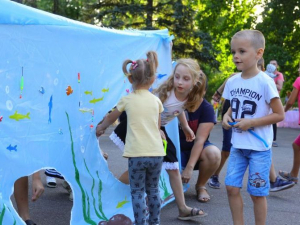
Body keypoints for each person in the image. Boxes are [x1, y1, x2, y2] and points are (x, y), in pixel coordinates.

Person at [97, 58, 207, 221]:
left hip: (156, 129)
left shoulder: (189, 95)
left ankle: (182, 208)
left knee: (171, 167)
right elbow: (149, 111)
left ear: (195, 81)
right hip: (145, 126)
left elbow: (179, 109)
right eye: (177, 77)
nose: (180, 82)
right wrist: (157, 130)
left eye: (185, 79)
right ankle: (112, 192)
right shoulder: (165, 94)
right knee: (141, 165)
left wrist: (184, 126)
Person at [222, 30, 285, 225]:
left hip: (259, 149)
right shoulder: (232, 81)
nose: (236, 56)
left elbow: (279, 114)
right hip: (238, 146)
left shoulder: (266, 82)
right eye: (233, 52)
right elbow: (234, 105)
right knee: (231, 188)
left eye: (242, 51)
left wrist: (251, 123)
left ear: (259, 53)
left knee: (257, 193)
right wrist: (226, 115)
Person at [97, 51, 166, 225]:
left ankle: (140, 222)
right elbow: (157, 127)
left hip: (137, 154)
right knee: (153, 190)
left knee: (137, 191)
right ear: (152, 79)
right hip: (156, 153)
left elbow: (112, 117)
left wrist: (101, 127)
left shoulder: (127, 100)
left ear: (130, 80)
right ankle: (155, 222)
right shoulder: (156, 101)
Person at [180, 76, 221, 201]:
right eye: (190, 91)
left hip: (197, 149)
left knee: (213, 153)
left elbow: (199, 140)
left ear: (204, 92)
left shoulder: (207, 109)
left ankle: (201, 186)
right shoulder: (174, 103)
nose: (192, 96)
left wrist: (189, 168)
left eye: (197, 92)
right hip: (174, 150)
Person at [278, 63, 300, 184]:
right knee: (296, 145)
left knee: (297, 145)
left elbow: (291, 101)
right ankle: (293, 175)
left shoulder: (299, 80)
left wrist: (282, 111)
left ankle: (293, 175)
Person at [270, 59, 284, 147]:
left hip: (274, 99)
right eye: (271, 64)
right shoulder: (265, 74)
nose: (272, 65)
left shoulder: (279, 75)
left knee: (273, 120)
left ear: (277, 66)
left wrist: (269, 81)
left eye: (274, 64)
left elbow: (280, 87)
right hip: (265, 99)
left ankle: (273, 140)